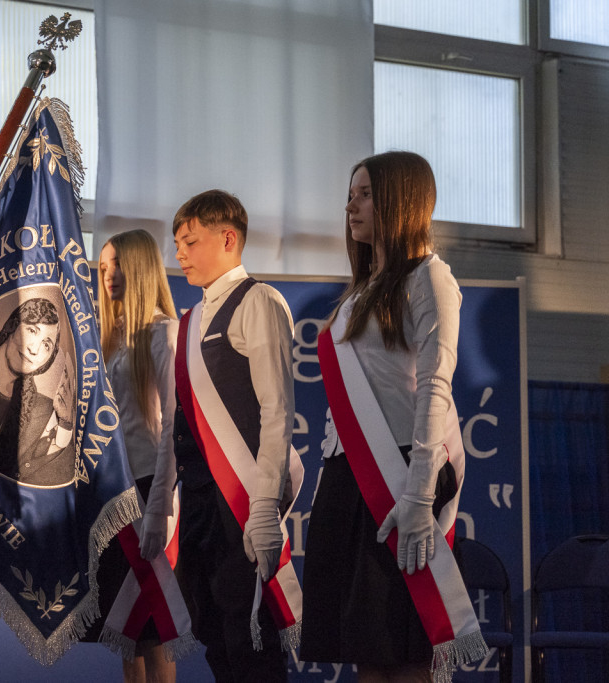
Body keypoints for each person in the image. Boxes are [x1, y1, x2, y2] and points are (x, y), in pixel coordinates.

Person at [301, 151, 478, 682]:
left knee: (403, 647)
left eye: (365, 194)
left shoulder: (430, 278)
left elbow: (434, 390)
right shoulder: (358, 292)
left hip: (402, 472)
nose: (350, 205)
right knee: (366, 647)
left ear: (401, 200)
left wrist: (420, 492)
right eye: (351, 193)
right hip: (350, 475)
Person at [171, 189, 296, 681]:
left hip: (239, 504)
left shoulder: (258, 301)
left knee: (252, 644)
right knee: (216, 641)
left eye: (190, 240)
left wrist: (264, 507)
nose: (179, 252)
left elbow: (277, 409)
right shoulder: (189, 321)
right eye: (177, 242)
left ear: (228, 238)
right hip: (200, 504)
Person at [95, 229, 179, 682]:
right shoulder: (111, 339)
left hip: (151, 489)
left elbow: (172, 427)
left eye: (118, 265)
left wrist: (161, 505)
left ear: (141, 265)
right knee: (126, 631)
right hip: (115, 492)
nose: (109, 275)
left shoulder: (164, 332)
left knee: (154, 628)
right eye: (104, 267)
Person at [0, 296, 75, 486]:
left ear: (49, 359)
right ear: (13, 325)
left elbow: (39, 467)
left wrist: (66, 423)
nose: (34, 349)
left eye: (46, 345)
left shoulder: (34, 405)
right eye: (31, 330)